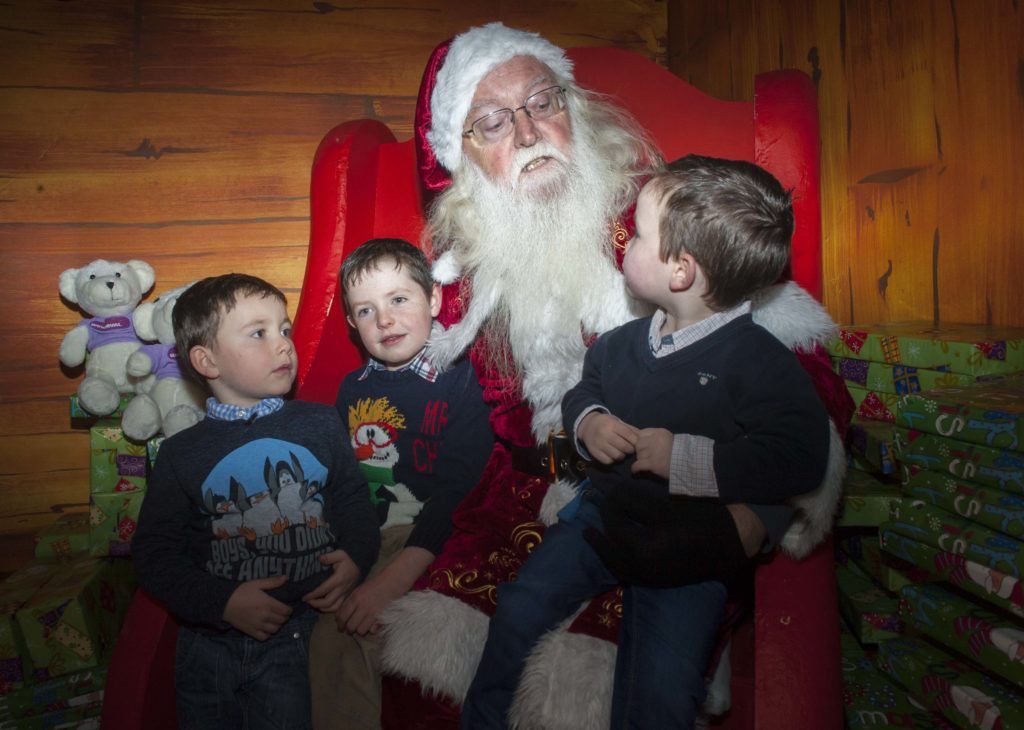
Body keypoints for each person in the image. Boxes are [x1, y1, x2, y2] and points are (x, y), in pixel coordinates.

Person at [377, 22, 851, 728]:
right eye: (494, 121)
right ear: (463, 153)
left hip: (694, 500)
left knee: (638, 673)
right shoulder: (468, 276)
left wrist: (755, 515)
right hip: (565, 490)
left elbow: (800, 382)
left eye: (543, 101)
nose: (531, 130)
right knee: (485, 625)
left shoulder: (662, 223)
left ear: (575, 109)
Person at [460, 156, 832, 728]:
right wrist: (588, 423)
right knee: (518, 606)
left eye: (637, 233)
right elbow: (584, 390)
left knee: (660, 685)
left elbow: (802, 455)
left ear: (681, 271)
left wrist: (688, 458)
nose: (624, 241)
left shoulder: (757, 362)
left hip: (690, 541)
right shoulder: (621, 343)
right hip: (603, 512)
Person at [132, 273, 380, 730]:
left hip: (309, 632)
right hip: (214, 645)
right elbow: (154, 553)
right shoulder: (181, 453)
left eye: (284, 329)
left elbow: (351, 500)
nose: (285, 344)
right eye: (259, 333)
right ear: (207, 361)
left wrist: (356, 560)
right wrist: (222, 602)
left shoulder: (321, 424)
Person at [310, 239, 494, 729]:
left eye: (399, 300)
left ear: (433, 300)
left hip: (436, 536)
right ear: (352, 323)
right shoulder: (353, 389)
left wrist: (389, 582)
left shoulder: (461, 375)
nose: (384, 320)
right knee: (322, 630)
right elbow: (344, 483)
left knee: (354, 633)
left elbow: (462, 490)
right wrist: (346, 553)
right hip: (365, 535)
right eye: (366, 310)